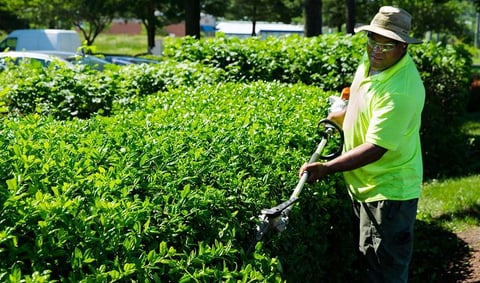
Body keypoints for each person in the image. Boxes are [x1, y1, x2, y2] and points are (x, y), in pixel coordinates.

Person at [299, 6, 425, 283]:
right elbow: (360, 99)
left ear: (403, 46)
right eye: (372, 41)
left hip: (387, 192)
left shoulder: (400, 90)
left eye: (386, 45)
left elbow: (376, 148)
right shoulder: (371, 63)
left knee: (383, 272)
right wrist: (341, 117)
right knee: (369, 261)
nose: (376, 50)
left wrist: (326, 168)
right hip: (364, 186)